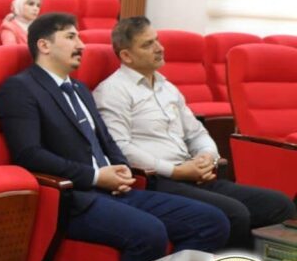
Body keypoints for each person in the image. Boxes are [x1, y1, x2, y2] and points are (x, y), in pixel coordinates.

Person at [0, 12, 229, 261]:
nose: (81, 45)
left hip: (114, 189)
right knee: (150, 231)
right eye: (71, 37)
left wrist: (121, 168)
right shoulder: (21, 88)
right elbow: (29, 154)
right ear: (44, 45)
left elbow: (107, 141)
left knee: (212, 222)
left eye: (79, 37)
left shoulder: (79, 89)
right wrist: (95, 176)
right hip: (74, 198)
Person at [95, 16, 296, 248]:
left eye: (157, 40)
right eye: (148, 44)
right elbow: (120, 147)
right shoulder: (112, 91)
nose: (159, 48)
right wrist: (176, 171)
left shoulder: (167, 87)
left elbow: (197, 132)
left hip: (192, 173)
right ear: (126, 55)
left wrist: (207, 157)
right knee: (235, 213)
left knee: (279, 204)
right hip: (157, 180)